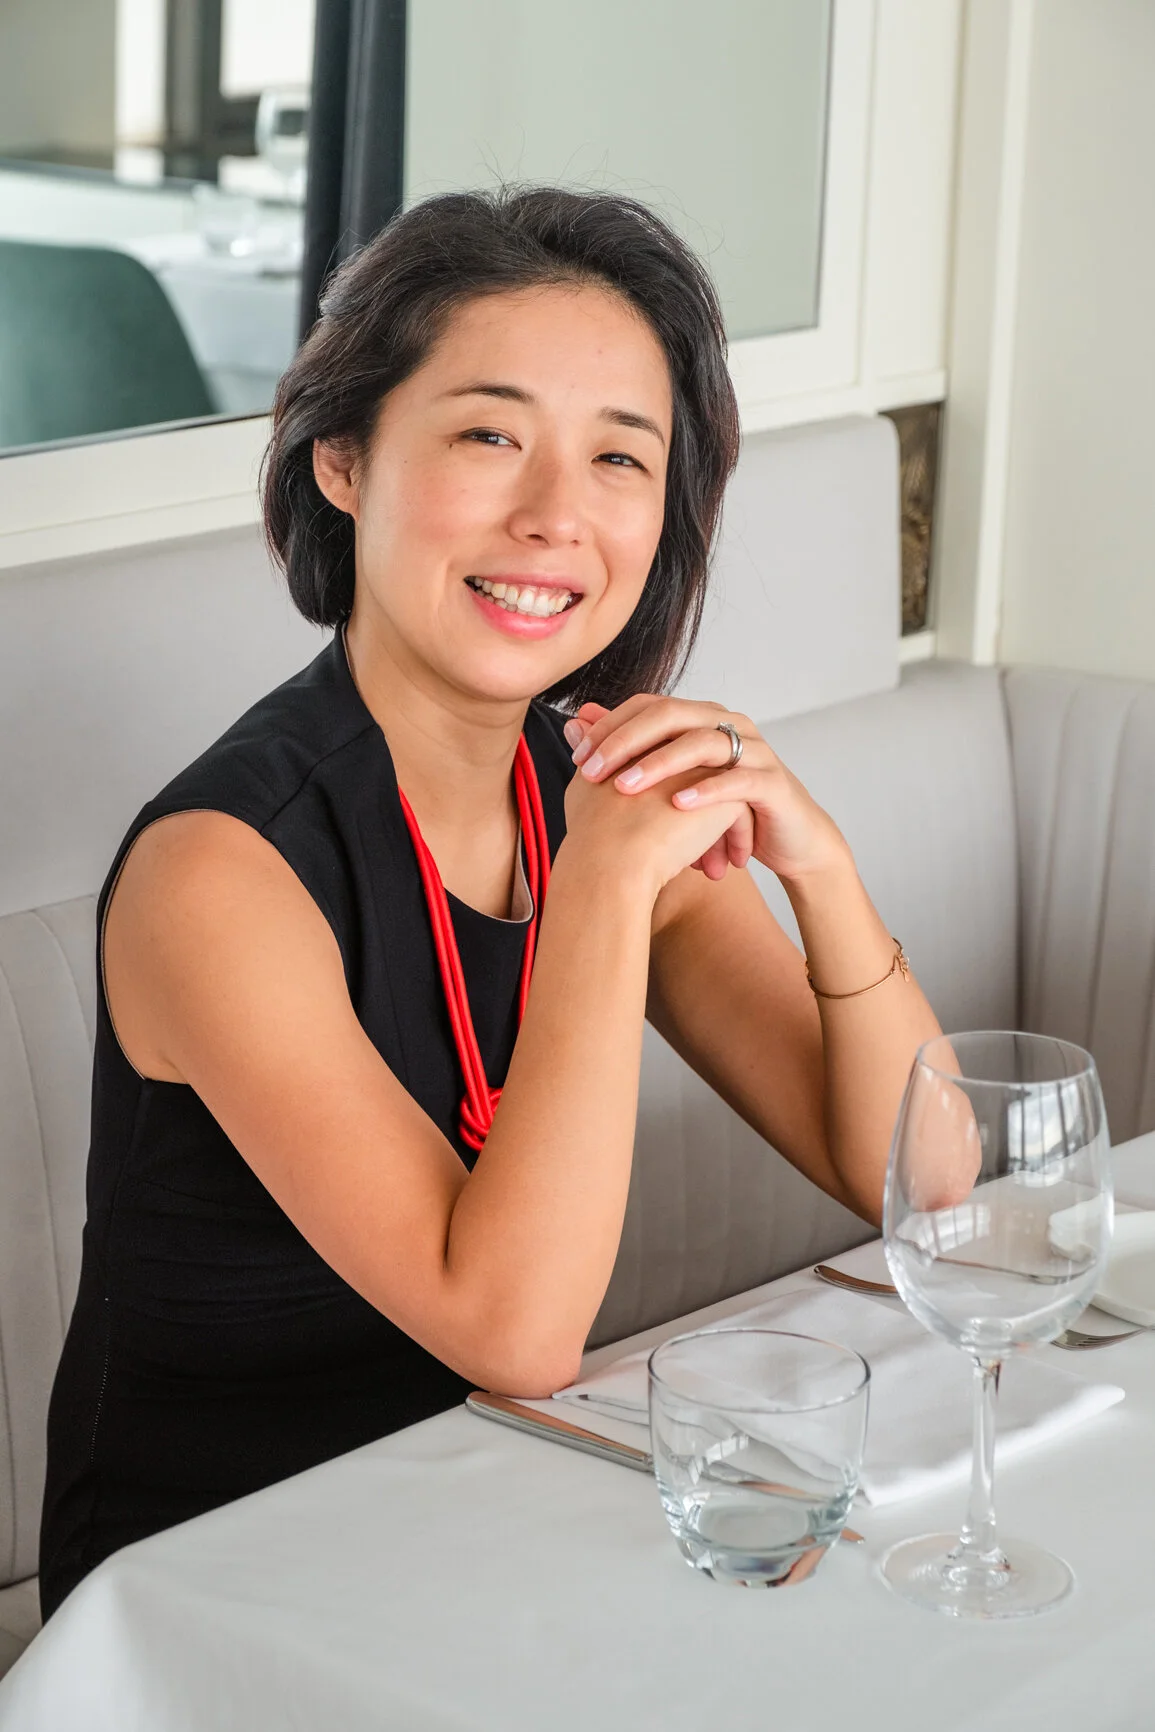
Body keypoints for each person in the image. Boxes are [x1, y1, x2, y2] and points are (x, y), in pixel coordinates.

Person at [39, 185, 943, 1619]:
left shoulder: (583, 783)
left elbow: (930, 1184)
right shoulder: (219, 870)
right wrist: (606, 891)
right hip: (215, 1592)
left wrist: (818, 867)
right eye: (488, 436)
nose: (554, 517)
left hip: (486, 1519)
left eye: (619, 458)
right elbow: (515, 1333)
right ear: (344, 458)